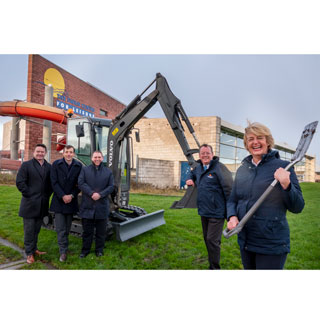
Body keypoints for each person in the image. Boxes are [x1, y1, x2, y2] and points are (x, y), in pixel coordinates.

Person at [227, 122, 305, 270]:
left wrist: (286, 184)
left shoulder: (283, 166)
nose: (255, 142)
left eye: (260, 138)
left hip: (271, 243)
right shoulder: (242, 169)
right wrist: (232, 216)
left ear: (268, 141)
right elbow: (233, 199)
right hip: (246, 240)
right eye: (250, 139)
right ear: (246, 144)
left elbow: (298, 206)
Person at [186, 143, 233, 270]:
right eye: (203, 153)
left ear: (212, 155)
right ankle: (212, 263)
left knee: (212, 240)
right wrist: (190, 179)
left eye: (207, 153)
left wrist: (231, 214)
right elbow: (192, 173)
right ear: (200, 155)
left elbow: (229, 191)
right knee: (208, 240)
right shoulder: (199, 167)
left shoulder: (219, 168)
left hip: (217, 212)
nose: (205, 155)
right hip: (204, 211)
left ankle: (214, 268)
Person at [16, 143, 52, 264]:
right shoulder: (26, 165)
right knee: (29, 231)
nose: (40, 153)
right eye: (38, 151)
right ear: (34, 152)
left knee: (37, 230)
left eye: (42, 152)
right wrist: (30, 194)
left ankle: (34, 248)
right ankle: (29, 253)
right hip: (29, 204)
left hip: (42, 204)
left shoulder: (49, 166)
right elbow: (20, 182)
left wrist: (47, 195)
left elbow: (50, 184)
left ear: (45, 153)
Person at [78, 150, 114, 258]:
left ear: (102, 158)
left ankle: (99, 250)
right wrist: (92, 193)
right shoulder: (85, 170)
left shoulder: (108, 172)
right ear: (91, 158)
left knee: (101, 232)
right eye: (95, 157)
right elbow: (81, 183)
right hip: (87, 206)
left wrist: (100, 194)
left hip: (102, 206)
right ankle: (85, 251)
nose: (97, 159)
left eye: (99, 157)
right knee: (87, 232)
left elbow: (111, 186)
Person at [50, 145, 82, 262]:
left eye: (71, 152)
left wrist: (72, 195)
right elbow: (54, 182)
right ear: (63, 153)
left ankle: (64, 247)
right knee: (61, 228)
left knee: (67, 228)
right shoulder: (56, 164)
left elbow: (79, 184)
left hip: (71, 201)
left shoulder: (78, 166)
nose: (69, 154)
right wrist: (63, 195)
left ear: (74, 154)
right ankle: (63, 252)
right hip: (59, 200)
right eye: (67, 152)